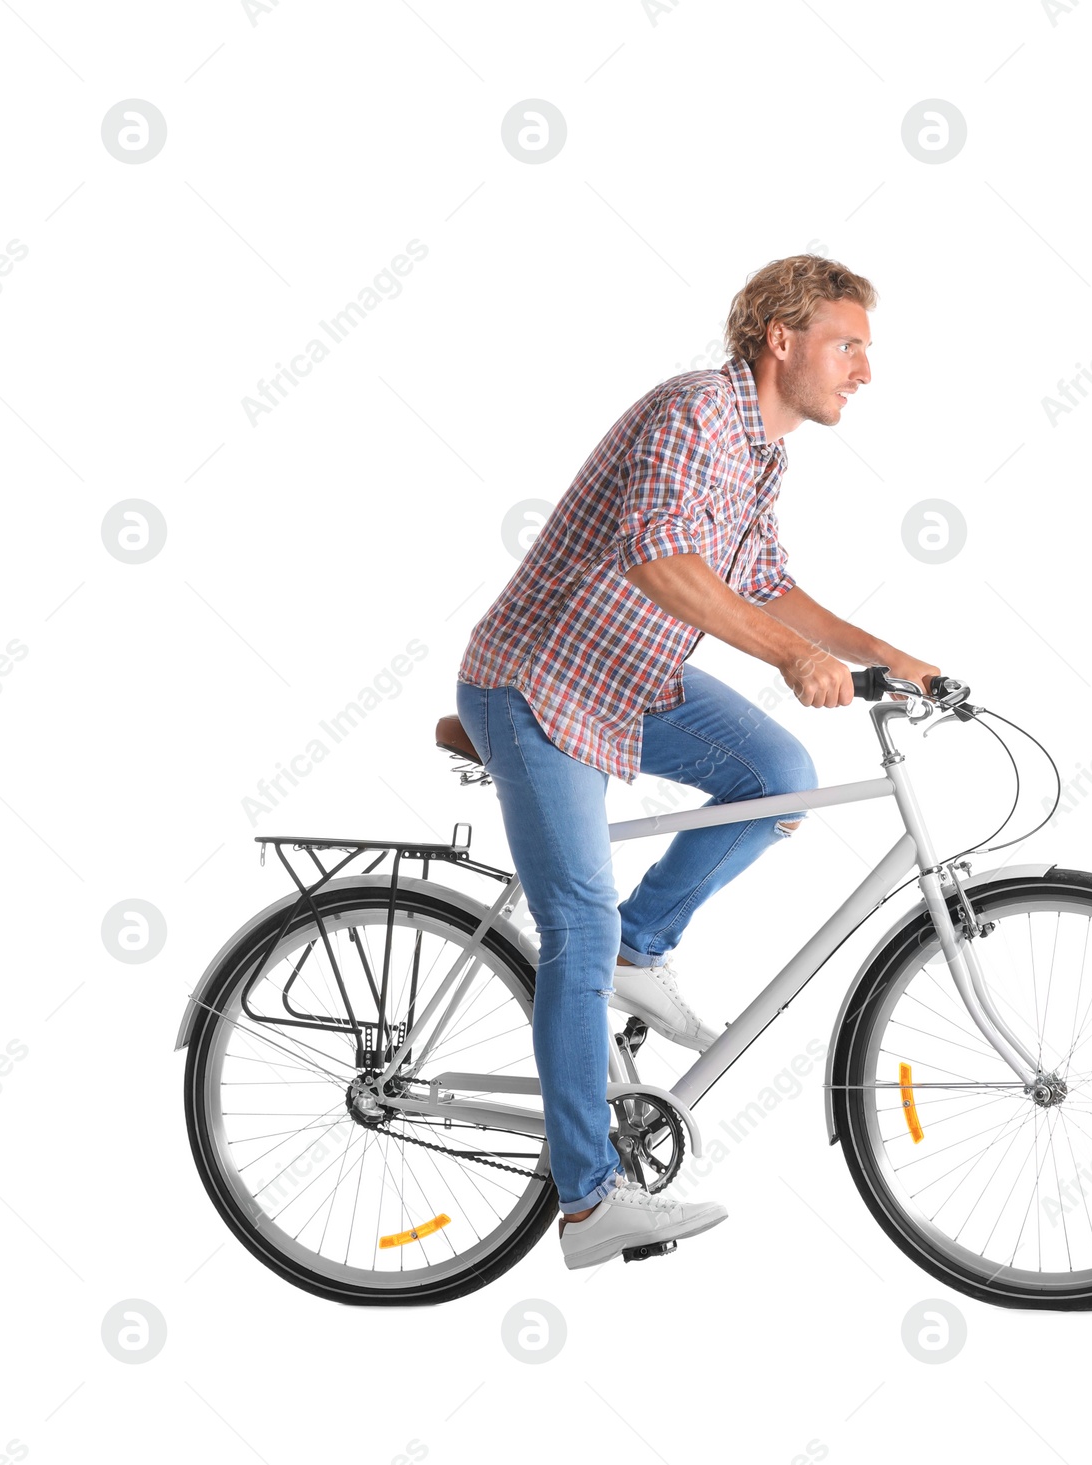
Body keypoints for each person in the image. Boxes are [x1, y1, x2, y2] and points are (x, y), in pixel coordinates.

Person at [456, 255, 941, 1270]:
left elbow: (765, 585)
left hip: (628, 675)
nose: (863, 371)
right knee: (571, 927)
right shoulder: (693, 415)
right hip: (538, 680)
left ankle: (643, 948)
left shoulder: (761, 451)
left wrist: (879, 653)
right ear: (782, 340)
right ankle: (589, 1203)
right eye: (848, 345)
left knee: (776, 773)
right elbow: (660, 558)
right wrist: (795, 660)